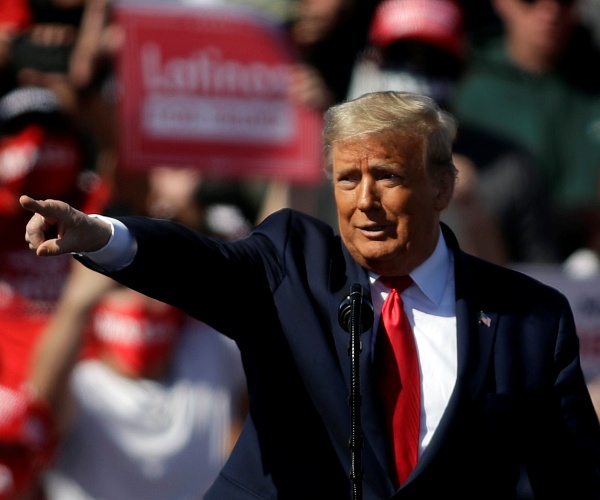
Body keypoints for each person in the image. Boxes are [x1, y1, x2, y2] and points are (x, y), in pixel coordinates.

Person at [20, 90, 600, 499]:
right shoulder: (293, 264)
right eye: (348, 179)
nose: (364, 200)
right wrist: (99, 234)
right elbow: (202, 264)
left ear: (442, 186)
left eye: (389, 178)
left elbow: (571, 479)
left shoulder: (530, 319)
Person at [27, 165, 249, 499]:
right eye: (120, 287)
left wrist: (293, 165)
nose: (140, 303)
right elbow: (41, 406)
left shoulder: (208, 354)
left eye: (150, 288)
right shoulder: (81, 386)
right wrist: (75, 303)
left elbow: (277, 279)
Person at [344, 0, 563, 265]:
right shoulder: (343, 165)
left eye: (434, 61)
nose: (416, 71)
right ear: (372, 62)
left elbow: (541, 287)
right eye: (402, 57)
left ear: (463, 69)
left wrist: (472, 213)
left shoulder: (509, 169)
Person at [452, 0, 600, 260]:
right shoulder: (465, 84)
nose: (550, 10)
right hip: (498, 257)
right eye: (530, 0)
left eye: (564, 2)